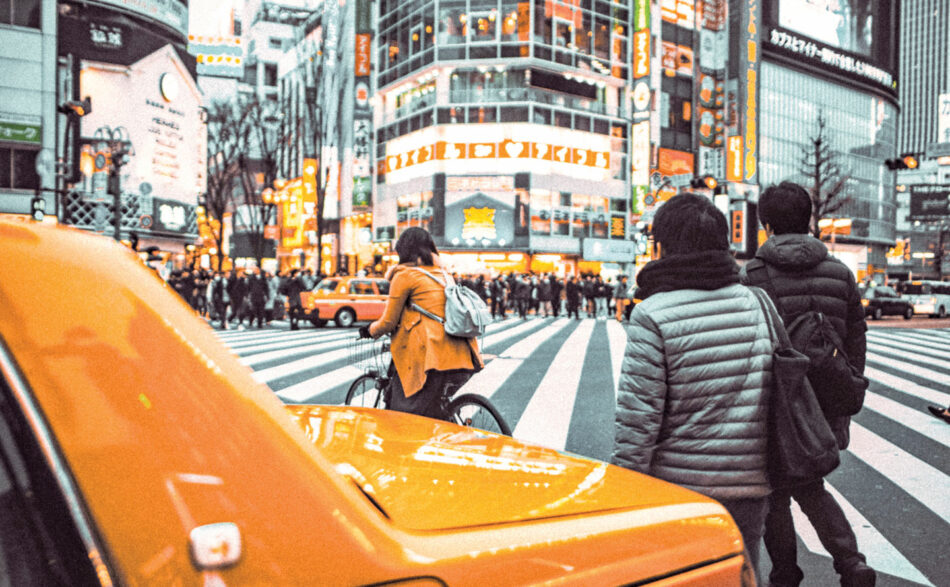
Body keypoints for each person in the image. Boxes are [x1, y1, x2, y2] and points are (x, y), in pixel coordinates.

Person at [612, 193, 773, 581]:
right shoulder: (758, 302)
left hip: (680, 485)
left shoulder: (653, 313)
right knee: (743, 570)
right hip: (751, 480)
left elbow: (639, 415)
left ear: (664, 246)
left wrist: (623, 486)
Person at [740, 180, 874, 587]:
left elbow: (750, 341)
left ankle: (786, 571)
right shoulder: (839, 272)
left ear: (766, 224)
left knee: (778, 491)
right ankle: (851, 564)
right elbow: (856, 335)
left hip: (779, 400)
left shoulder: (753, 274)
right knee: (811, 483)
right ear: (809, 219)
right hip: (829, 396)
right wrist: (848, 384)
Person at [359, 227, 484, 420]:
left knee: (405, 417)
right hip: (464, 357)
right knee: (433, 411)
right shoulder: (444, 275)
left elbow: (388, 322)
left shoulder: (405, 276)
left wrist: (369, 330)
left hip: (432, 361)